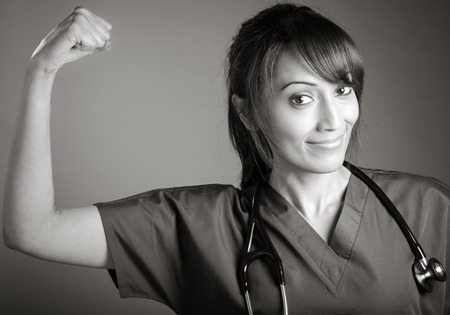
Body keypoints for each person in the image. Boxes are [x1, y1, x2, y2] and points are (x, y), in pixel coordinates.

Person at [2, 3, 449, 314]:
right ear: (248, 112)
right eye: (300, 99)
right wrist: (42, 70)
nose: (334, 120)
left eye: (343, 90)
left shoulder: (428, 208)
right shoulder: (198, 226)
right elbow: (32, 229)